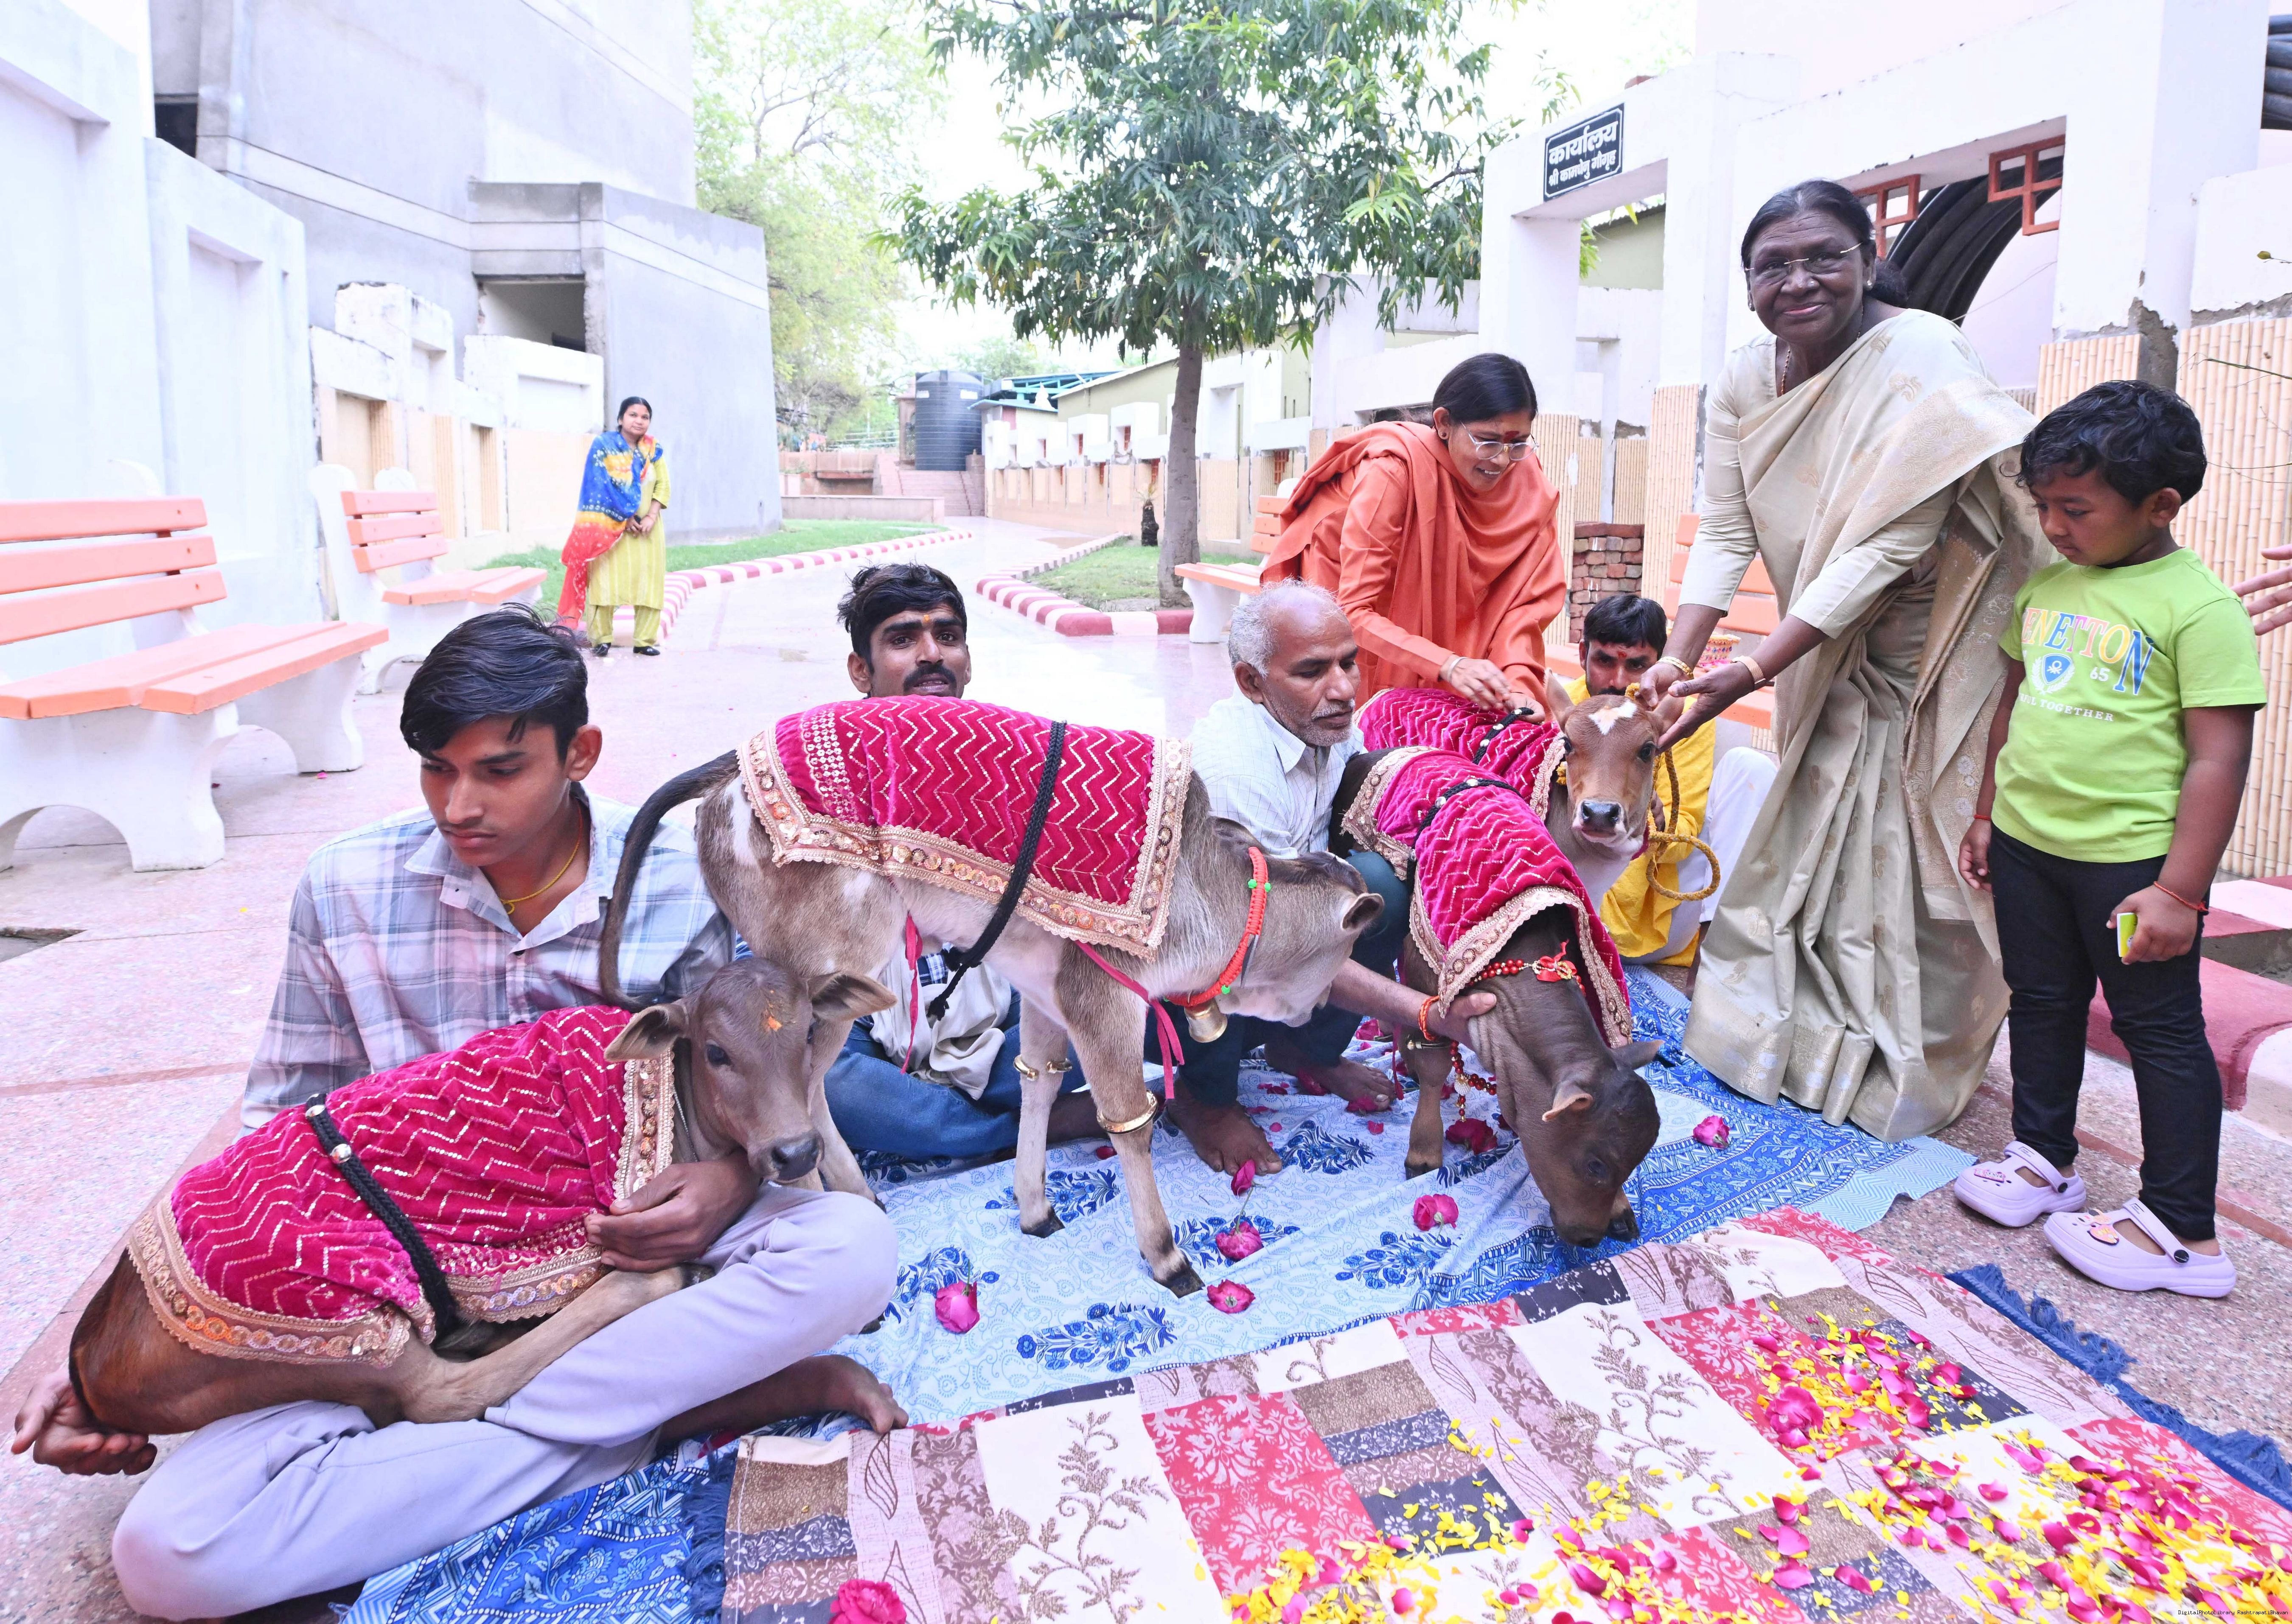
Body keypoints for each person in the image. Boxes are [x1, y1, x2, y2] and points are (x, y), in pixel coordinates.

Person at [8, 608, 903, 1617]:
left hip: (631, 1249)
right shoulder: (344, 885)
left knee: (851, 1249)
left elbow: (773, 1054)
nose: (459, 804)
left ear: (580, 752)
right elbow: (276, 1128)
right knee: (167, 1557)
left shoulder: (685, 877)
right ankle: (651, 1414)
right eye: (437, 769)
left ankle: (459, 1445)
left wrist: (732, 1177)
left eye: (499, 769)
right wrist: (118, 1345)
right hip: (399, 1298)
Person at [1645, 178, 2053, 1142]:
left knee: (1901, 850)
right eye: (1771, 265)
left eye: (1823, 256)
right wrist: (1678, 655)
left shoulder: (1923, 356)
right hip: (1816, 645)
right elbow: (1729, 526)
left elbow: (1888, 547)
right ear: (1748, 282)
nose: (1797, 281)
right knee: (1810, 837)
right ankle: (1787, 1042)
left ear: (1868, 262)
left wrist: (1751, 671)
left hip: (1922, 647)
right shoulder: (1744, 380)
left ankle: (1893, 1060)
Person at [1955, 382, 2259, 1297]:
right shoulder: (2048, 589)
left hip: (2130, 869)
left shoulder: (2198, 608)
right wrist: (1986, 814)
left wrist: (2178, 891)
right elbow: (2013, 706)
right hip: (2027, 848)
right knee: (2041, 1000)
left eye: (2076, 509)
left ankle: (2182, 1230)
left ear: (2160, 505)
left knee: (2157, 1030)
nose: (2054, 526)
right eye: (2044, 506)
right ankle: (2043, 1159)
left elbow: (2218, 758)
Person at [1170, 580, 1496, 1171]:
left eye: (1349, 662)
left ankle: (1304, 1050)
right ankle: (1203, 1100)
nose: (1344, 689)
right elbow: (1268, 942)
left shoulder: (1327, 727)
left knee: (1379, 884)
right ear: (1251, 683)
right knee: (1215, 948)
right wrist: (1426, 1012)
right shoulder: (1235, 774)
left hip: (1283, 942)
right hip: (1197, 978)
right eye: (1312, 671)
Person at [818, 563, 1100, 1159]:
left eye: (947, 636)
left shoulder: (1018, 762)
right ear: (861, 670)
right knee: (832, 1085)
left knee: (1116, 1003)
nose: (931, 655)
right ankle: (1029, 1125)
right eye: (903, 639)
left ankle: (953, 1117)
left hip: (1001, 1006)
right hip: (867, 1017)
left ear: (967, 661)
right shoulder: (818, 769)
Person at [1264, 353, 1567, 714]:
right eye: (1487, 441)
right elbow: (1351, 612)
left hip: (1443, 648)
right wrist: (1448, 664)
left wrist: (1515, 684)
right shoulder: (1392, 473)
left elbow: (1520, 610)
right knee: (1362, 721)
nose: (1501, 460)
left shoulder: (1527, 485)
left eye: (1516, 444)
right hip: (1348, 608)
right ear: (1444, 423)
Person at [1561, 593, 1778, 964]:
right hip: (1572, 912)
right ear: (1583, 654)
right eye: (1604, 661)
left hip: (1663, 911)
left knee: (1750, 769)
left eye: (1636, 666)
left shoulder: (1684, 717)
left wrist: (1648, 816)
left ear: (1659, 666)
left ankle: (1716, 961)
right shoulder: (1566, 709)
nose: (1617, 681)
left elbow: (1680, 842)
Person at [558, 396, 669, 655]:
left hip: (648, 532)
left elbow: (663, 485)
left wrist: (651, 516)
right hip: (609, 529)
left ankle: (644, 641)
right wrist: (625, 518)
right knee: (604, 583)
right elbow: (598, 486)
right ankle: (602, 639)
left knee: (649, 584)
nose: (639, 421)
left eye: (645, 417)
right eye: (633, 415)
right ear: (621, 419)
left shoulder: (653, 449)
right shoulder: (604, 447)